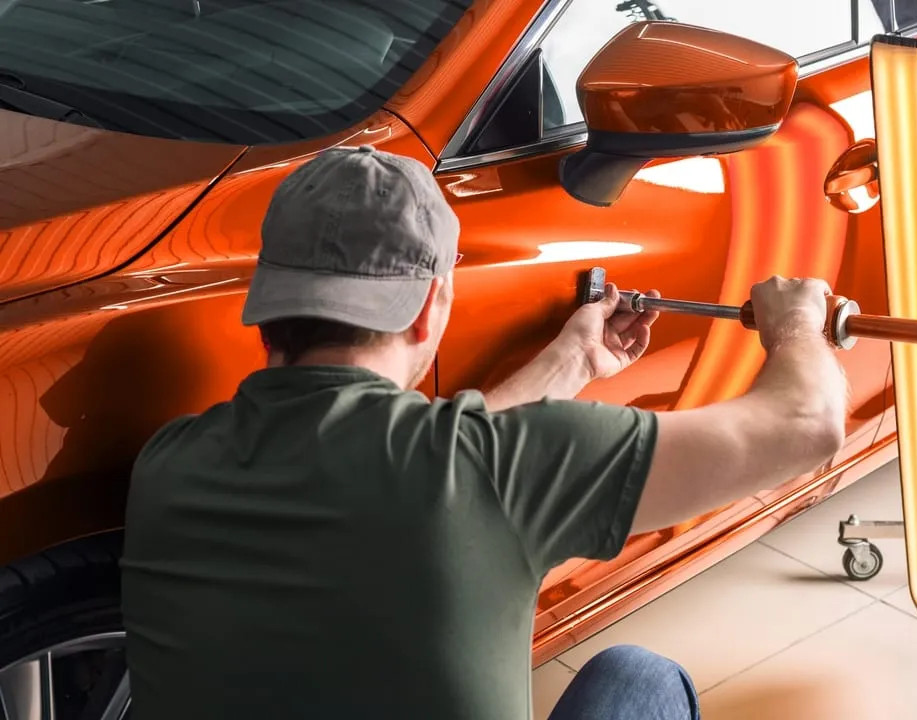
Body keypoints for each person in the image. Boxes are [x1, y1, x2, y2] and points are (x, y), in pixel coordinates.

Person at [120, 146, 848, 720]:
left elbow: (427, 468)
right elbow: (805, 425)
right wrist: (798, 324)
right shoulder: (495, 469)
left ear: (269, 295)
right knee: (642, 680)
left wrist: (569, 363)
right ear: (429, 308)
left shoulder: (168, 465)